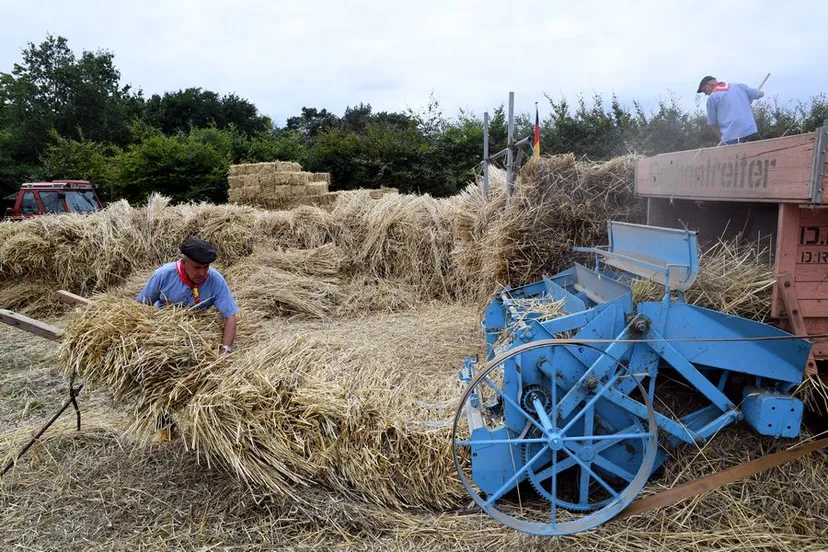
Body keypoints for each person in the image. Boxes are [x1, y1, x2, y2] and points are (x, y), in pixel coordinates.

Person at [136, 237, 240, 441]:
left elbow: (230, 316)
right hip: (163, 333)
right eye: (197, 267)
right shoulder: (163, 275)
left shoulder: (216, 280)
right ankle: (164, 428)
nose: (202, 273)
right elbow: (140, 308)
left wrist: (225, 351)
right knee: (158, 379)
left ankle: (206, 428)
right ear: (184, 263)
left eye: (206, 267)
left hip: (198, 336)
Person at [697, 76, 765, 145]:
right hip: (750, 131)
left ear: (708, 85)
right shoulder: (738, 86)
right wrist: (747, 98)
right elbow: (760, 94)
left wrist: (722, 139)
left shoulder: (712, 98)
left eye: (704, 90)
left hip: (731, 137)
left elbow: (713, 124)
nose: (705, 94)